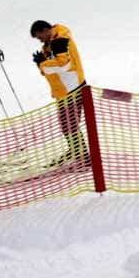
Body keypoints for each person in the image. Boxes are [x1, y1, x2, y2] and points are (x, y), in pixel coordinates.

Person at [29, 20, 88, 167]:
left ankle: (83, 157)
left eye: (39, 36)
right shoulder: (50, 44)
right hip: (63, 90)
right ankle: (76, 150)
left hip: (71, 89)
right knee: (67, 124)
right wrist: (41, 63)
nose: (40, 40)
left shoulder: (59, 40)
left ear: (45, 30)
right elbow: (49, 69)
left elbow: (64, 64)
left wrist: (43, 64)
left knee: (69, 124)